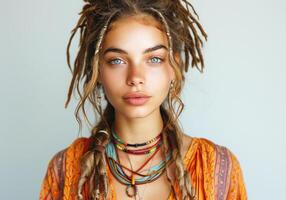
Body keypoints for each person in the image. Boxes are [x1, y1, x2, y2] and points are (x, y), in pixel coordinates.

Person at [39, 0, 247, 199]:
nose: (135, 77)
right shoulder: (65, 169)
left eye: (154, 59)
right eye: (117, 60)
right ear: (98, 70)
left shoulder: (218, 166)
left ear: (174, 67)